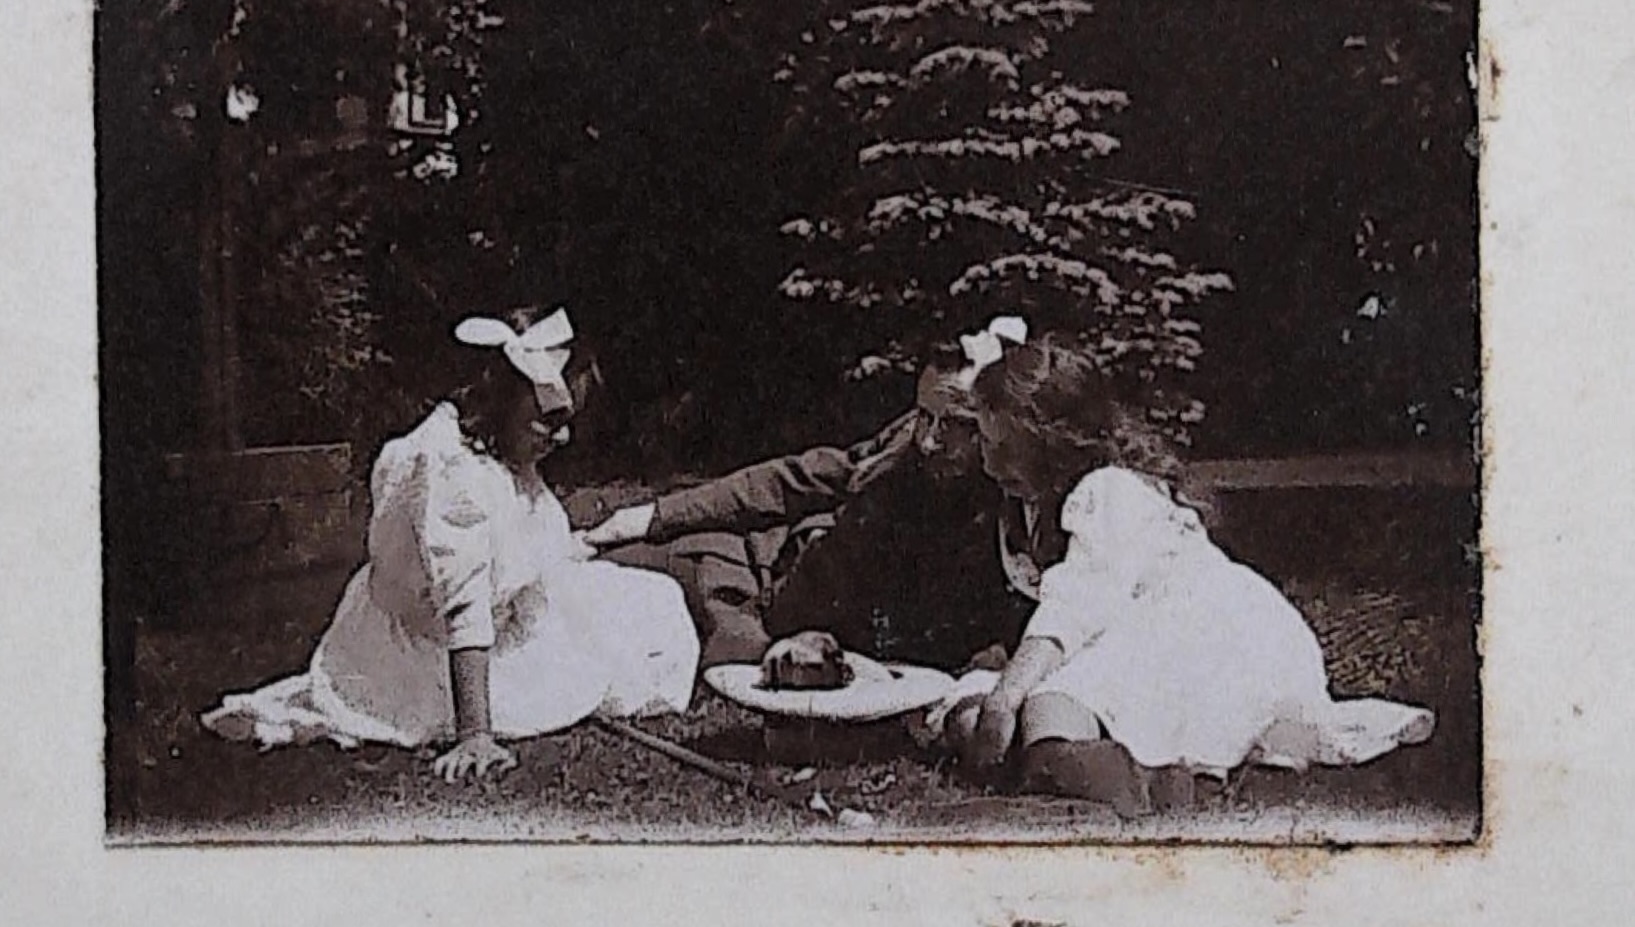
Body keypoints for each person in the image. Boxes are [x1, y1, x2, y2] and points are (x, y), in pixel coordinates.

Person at [937, 333, 1436, 813]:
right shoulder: (1077, 501)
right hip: (1243, 639)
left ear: (1051, 443)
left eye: (1000, 444)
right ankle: (1172, 774)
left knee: (1048, 709)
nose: (987, 460)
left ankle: (1153, 787)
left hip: (1208, 630)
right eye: (985, 442)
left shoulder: (1107, 489)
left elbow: (1075, 609)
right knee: (1048, 710)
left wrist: (1004, 699)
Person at [201, 307, 700, 783]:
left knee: (651, 599)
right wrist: (476, 733)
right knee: (629, 636)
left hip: (494, 615)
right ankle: (468, 707)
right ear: (502, 396)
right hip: (434, 654)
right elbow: (464, 604)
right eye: (550, 418)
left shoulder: (491, 453)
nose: (564, 436)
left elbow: (513, 549)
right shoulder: (451, 474)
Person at [577, 317, 1040, 671]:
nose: (929, 441)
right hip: (754, 568)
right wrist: (653, 515)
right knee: (578, 566)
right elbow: (796, 479)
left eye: (957, 426)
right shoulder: (904, 454)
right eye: (923, 416)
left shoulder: (1026, 501)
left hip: (764, 611)